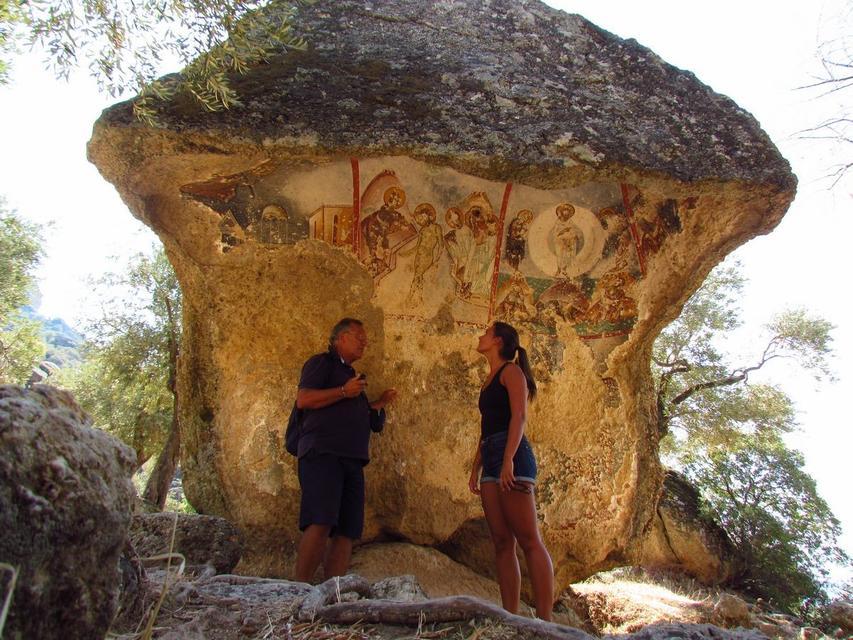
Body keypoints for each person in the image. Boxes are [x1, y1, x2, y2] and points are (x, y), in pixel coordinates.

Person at [293, 318, 397, 583]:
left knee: (347, 530)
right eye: (358, 336)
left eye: (365, 338)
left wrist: (379, 403)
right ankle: (297, 592)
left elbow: (362, 414)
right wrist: (343, 390)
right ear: (339, 338)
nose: (364, 342)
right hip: (323, 453)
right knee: (321, 520)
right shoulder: (321, 363)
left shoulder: (353, 378)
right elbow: (304, 399)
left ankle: (333, 597)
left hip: (353, 459)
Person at [468, 321, 554, 620]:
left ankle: (546, 623)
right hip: (492, 455)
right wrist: (476, 465)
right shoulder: (489, 378)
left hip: (512, 454)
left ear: (498, 341)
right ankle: (512, 618)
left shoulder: (511, 372)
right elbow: (487, 425)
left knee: (529, 540)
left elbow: (519, 416)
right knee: (502, 542)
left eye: (486, 333)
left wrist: (508, 460)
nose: (480, 336)